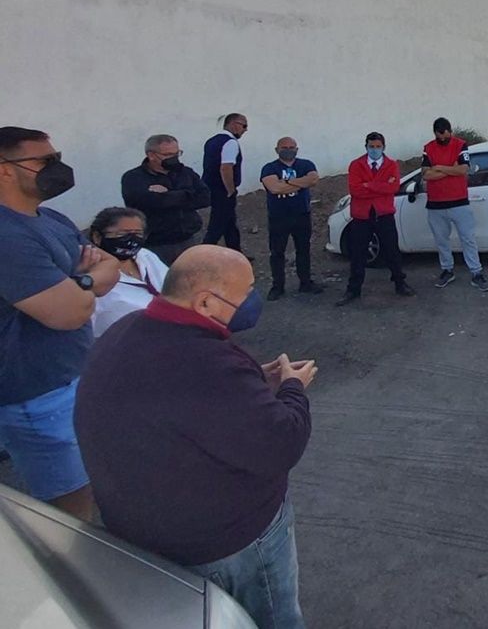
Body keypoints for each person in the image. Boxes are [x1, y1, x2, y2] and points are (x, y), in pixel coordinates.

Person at [75, 245, 314, 629]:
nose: (252, 299)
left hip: (146, 532)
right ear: (205, 302)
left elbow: (187, 405)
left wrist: (256, 382)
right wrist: (291, 388)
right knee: (274, 618)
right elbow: (282, 442)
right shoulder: (207, 363)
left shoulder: (126, 330)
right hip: (228, 541)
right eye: (246, 291)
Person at [0, 126, 119, 520]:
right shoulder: (7, 237)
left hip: (73, 376)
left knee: (95, 479)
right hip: (37, 395)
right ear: (4, 170)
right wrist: (85, 281)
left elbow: (111, 265)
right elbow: (70, 313)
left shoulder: (49, 218)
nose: (58, 169)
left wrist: (77, 284)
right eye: (44, 161)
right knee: (70, 511)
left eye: (57, 157)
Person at [337, 132, 415, 306]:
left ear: (383, 147)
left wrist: (369, 185)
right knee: (358, 253)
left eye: (378, 147)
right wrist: (380, 186)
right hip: (362, 215)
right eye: (371, 147)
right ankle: (353, 289)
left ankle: (400, 283)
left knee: (392, 250)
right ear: (366, 146)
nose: (374, 150)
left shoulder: (391, 164)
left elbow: (393, 187)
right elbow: (355, 190)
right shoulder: (356, 165)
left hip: (384, 213)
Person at [423, 118, 488, 292]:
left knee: (468, 239)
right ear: (436, 133)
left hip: (459, 202)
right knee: (441, 240)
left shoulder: (461, 145)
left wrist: (438, 167)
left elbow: (463, 169)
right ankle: (447, 270)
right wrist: (450, 169)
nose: (445, 137)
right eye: (441, 134)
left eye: (447, 133)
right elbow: (426, 175)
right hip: (436, 204)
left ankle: (476, 272)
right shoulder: (428, 148)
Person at [121, 134, 211, 265]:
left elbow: (205, 197)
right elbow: (149, 203)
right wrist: (186, 196)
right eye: (168, 155)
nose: (174, 158)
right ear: (151, 155)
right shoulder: (133, 178)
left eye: (177, 153)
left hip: (187, 239)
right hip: (155, 244)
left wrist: (169, 193)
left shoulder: (185, 173)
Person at [87, 207, 169, 336]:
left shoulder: (145, 256)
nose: (131, 240)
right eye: (122, 235)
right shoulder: (91, 274)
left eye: (138, 234)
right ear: (97, 237)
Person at [260, 137, 322, 301]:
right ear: (277, 149)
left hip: (301, 215)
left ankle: (305, 283)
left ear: (297, 149)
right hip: (278, 216)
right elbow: (273, 188)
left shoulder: (306, 164)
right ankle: (277, 286)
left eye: (291, 147)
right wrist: (300, 183)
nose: (288, 149)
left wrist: (285, 182)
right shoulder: (269, 167)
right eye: (284, 147)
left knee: (303, 250)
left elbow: (314, 179)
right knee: (277, 252)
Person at [202, 113, 249, 252]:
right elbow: (226, 167)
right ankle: (203, 254)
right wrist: (230, 190)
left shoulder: (211, 141)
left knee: (229, 224)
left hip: (211, 187)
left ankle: (236, 252)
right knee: (218, 224)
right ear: (233, 124)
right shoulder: (230, 143)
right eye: (244, 125)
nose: (245, 130)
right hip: (222, 190)